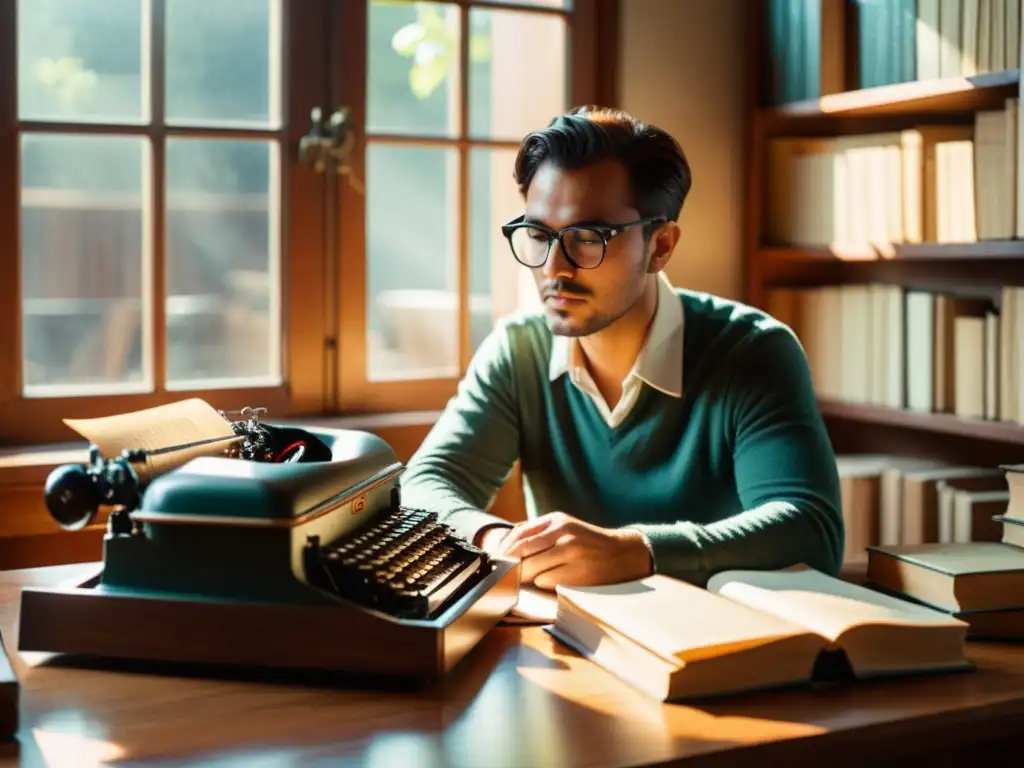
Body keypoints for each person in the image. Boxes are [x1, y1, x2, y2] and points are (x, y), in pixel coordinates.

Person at [400, 105, 843, 590]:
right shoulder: (517, 351)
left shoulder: (754, 351)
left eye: (587, 238)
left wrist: (638, 552)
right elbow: (423, 487)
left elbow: (809, 528)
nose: (554, 268)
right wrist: (494, 539)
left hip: (725, 646)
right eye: (538, 235)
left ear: (661, 246)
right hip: (571, 643)